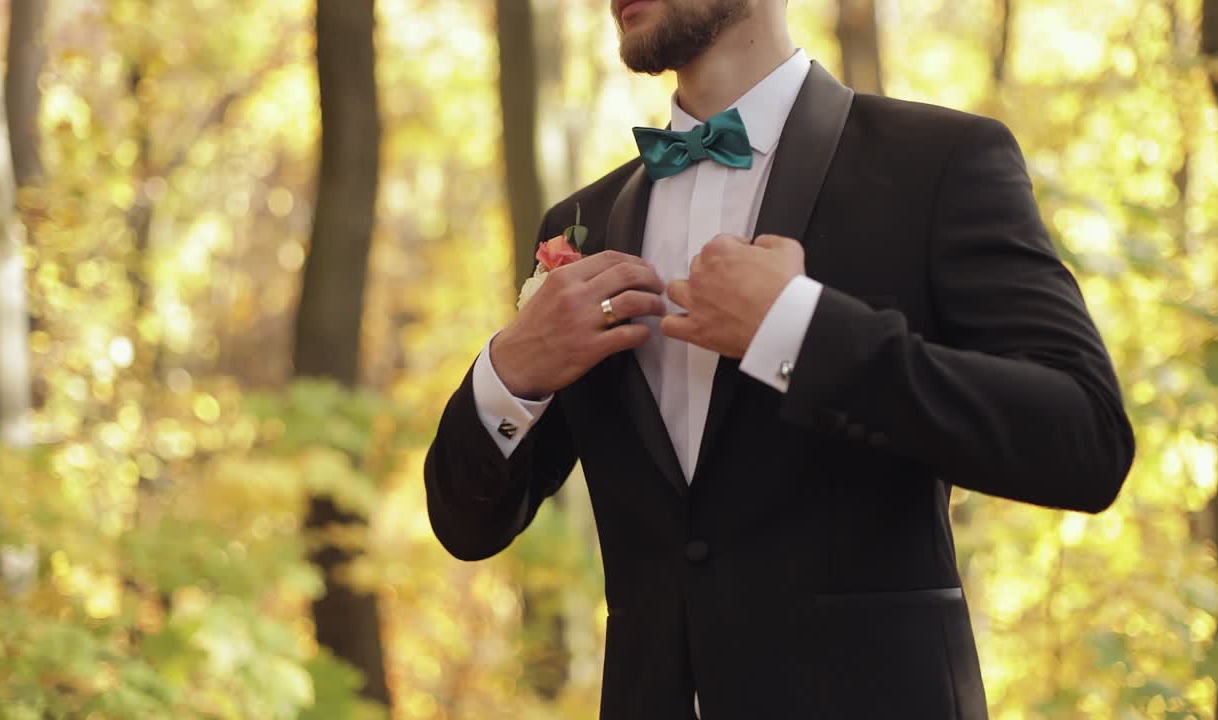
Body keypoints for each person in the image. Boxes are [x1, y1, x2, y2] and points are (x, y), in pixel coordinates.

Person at [424, 0, 1135, 717]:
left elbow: (1085, 440)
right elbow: (469, 525)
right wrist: (511, 370)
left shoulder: (942, 163)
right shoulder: (581, 223)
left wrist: (797, 331)